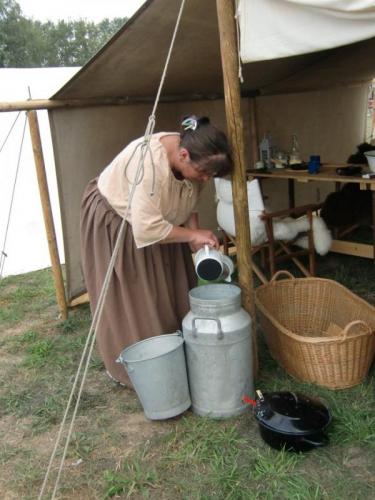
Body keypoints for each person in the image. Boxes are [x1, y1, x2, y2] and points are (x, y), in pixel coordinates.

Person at [80, 115, 233, 386]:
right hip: (120, 220)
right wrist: (192, 233)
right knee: (137, 295)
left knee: (171, 286)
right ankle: (140, 366)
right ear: (183, 155)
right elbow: (148, 229)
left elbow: (189, 198)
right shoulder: (149, 165)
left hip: (158, 221)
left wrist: (193, 236)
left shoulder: (195, 156)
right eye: (204, 173)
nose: (207, 179)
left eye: (211, 175)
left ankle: (176, 344)